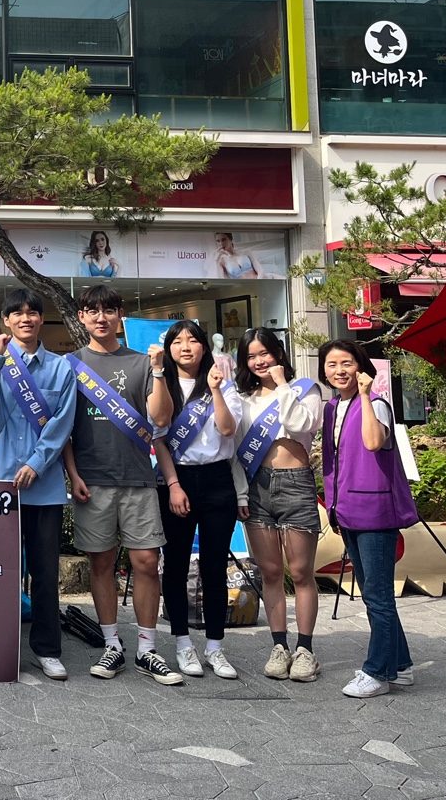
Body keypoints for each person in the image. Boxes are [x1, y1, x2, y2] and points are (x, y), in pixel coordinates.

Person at [61, 285, 183, 685]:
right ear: (81, 316)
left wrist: (161, 371)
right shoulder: (70, 364)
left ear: (119, 315)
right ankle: (113, 645)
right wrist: (73, 474)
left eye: (108, 311)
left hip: (138, 479)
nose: (101, 318)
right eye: (92, 311)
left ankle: (148, 648)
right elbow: (62, 429)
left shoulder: (143, 362)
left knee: (147, 562)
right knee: (101, 562)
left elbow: (160, 419)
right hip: (92, 481)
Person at [0, 288, 76, 680]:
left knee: (45, 572)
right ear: (6, 320)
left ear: (41, 320)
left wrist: (37, 462)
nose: (25, 318)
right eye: (17, 313)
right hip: (0, 487)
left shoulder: (62, 368)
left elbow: (62, 424)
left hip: (43, 488)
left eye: (32, 313)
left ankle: (47, 649)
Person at [319, 339, 418, 699]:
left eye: (346, 363)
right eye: (331, 364)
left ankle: (377, 671)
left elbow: (374, 443)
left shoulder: (377, 404)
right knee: (373, 595)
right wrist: (332, 506)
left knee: (378, 597)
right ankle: (402, 666)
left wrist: (365, 395)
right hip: (347, 510)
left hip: (375, 512)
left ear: (361, 366)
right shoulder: (331, 407)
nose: (339, 371)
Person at [157, 320, 246, 680]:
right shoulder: (163, 385)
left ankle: (214, 646)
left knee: (213, 566)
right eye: (177, 341)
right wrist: (174, 484)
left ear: (204, 347)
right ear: (169, 349)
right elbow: (159, 437)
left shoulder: (224, 382)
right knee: (175, 565)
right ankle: (182, 643)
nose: (186, 346)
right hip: (176, 480)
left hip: (217, 479)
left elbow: (228, 429)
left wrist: (217, 390)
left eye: (193, 339)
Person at [237, 328, 324, 683]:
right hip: (257, 487)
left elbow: (300, 424)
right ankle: (279, 645)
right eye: (252, 356)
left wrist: (282, 384)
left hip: (296, 483)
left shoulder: (306, 389)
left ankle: (305, 649)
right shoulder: (242, 398)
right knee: (270, 572)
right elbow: (235, 452)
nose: (259, 361)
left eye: (265, 354)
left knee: (301, 572)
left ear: (279, 353)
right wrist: (241, 493)